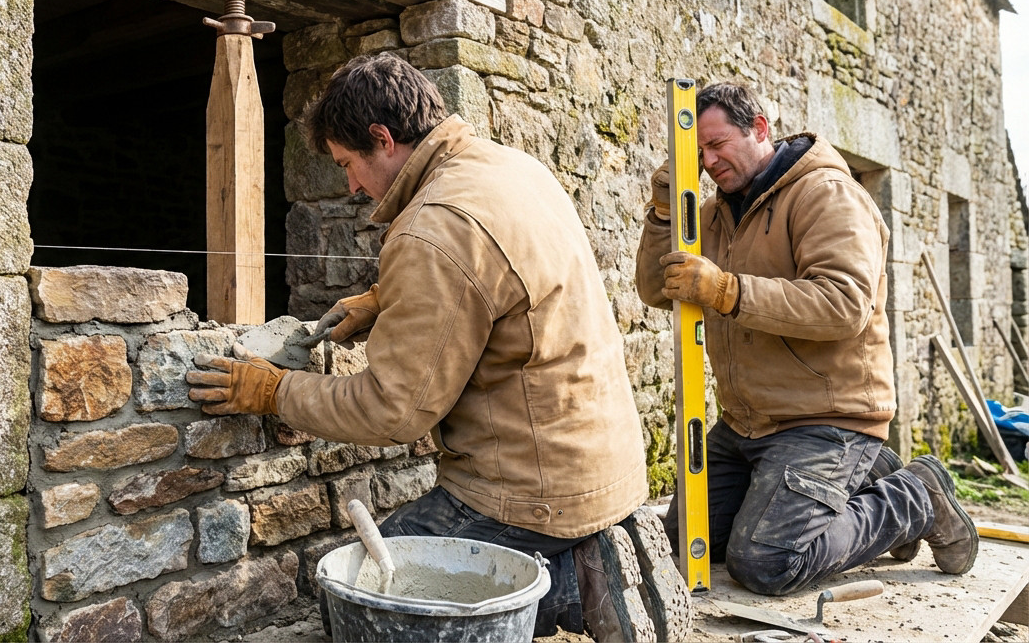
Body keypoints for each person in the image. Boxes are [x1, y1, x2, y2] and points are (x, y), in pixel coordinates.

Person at [188, 53, 690, 640]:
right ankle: (588, 547)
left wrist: (273, 390)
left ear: (383, 138)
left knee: (370, 595)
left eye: (349, 164)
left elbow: (394, 409)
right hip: (602, 462)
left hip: (530, 492)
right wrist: (383, 298)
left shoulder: (433, 227)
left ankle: (567, 585)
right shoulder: (507, 167)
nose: (350, 185)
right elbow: (493, 282)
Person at [635, 81, 978, 596]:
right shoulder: (715, 214)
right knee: (688, 545)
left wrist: (726, 290)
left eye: (718, 144)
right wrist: (665, 214)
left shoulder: (827, 194)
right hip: (747, 423)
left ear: (759, 128)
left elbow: (844, 304)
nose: (708, 161)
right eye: (698, 151)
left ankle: (915, 498)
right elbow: (657, 289)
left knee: (768, 562)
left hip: (827, 418)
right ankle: (863, 479)